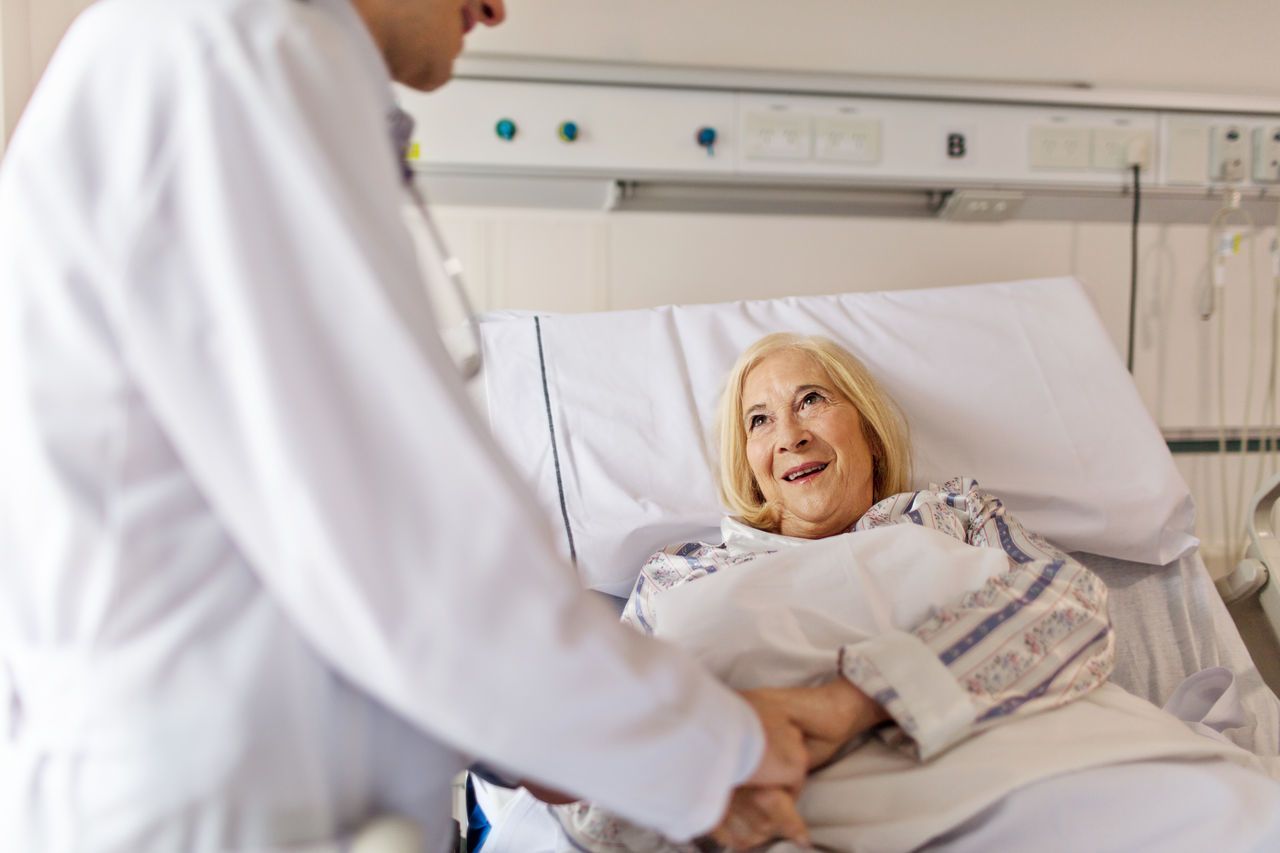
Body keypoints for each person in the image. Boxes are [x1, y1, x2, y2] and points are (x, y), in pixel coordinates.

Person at [0, 2, 827, 850]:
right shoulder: (235, 53)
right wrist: (716, 748)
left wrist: (559, 736)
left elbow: (329, 554)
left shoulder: (226, 55)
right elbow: (410, 545)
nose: (500, 9)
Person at [548, 332, 1118, 851]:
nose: (791, 436)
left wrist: (845, 705)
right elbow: (593, 756)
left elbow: (1073, 605)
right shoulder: (680, 576)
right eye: (759, 421)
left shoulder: (951, 514)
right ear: (750, 465)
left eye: (811, 401)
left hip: (984, 789)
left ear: (868, 432)